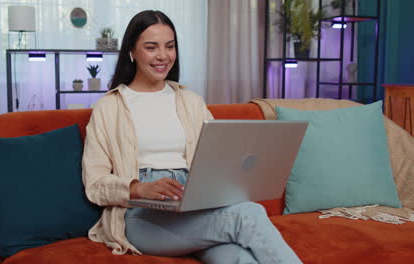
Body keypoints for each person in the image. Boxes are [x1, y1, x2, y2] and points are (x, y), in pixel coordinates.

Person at [82, 10, 302, 264]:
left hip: (195, 202)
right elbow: (95, 184)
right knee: (248, 215)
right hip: (141, 214)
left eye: (170, 46)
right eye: (151, 47)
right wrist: (139, 187)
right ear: (131, 51)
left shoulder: (191, 101)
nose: (163, 56)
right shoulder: (109, 107)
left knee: (238, 258)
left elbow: (217, 159)